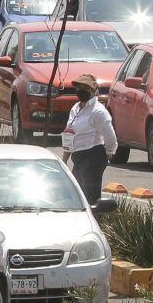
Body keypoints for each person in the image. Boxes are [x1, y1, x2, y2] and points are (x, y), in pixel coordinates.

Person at [63, 73, 116, 209]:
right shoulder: (76, 108)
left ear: (93, 91)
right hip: (78, 156)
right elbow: (70, 133)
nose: (81, 90)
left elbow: (110, 135)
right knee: (77, 194)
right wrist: (65, 158)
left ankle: (96, 223)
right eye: (79, 87)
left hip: (92, 155)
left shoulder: (98, 111)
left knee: (90, 197)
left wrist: (110, 151)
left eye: (85, 88)